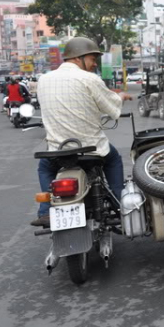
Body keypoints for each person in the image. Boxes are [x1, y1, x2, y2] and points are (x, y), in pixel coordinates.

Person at [31, 37, 133, 227]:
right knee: (114, 159)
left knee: (45, 168)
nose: (95, 64)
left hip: (57, 150)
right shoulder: (89, 79)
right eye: (93, 59)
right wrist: (120, 96)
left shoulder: (43, 80)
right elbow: (112, 108)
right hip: (91, 149)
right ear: (78, 58)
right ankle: (120, 203)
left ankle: (45, 211)